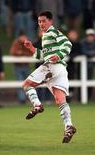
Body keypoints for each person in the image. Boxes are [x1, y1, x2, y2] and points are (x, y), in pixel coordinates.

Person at [23, 11, 76, 143]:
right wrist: (31, 48)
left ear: (50, 21)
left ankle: (37, 105)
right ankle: (69, 126)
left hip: (53, 66)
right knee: (60, 100)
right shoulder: (45, 36)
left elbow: (68, 44)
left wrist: (58, 55)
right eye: (39, 21)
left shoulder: (53, 32)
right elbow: (44, 56)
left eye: (43, 21)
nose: (41, 23)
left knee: (27, 85)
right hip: (60, 70)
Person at [10, 30, 33, 104]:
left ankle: (30, 97)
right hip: (18, 66)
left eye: (25, 36)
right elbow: (13, 52)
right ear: (20, 37)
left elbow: (31, 52)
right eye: (22, 36)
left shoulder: (27, 43)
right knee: (20, 82)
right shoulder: (16, 43)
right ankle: (22, 99)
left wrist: (21, 53)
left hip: (26, 65)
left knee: (29, 82)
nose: (24, 38)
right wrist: (22, 53)